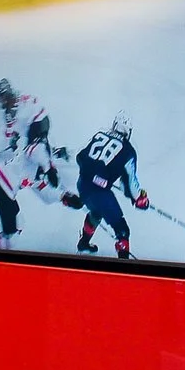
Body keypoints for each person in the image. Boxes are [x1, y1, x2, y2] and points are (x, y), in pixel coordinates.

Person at [65, 111, 148, 260]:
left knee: (96, 213)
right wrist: (139, 199)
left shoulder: (100, 134)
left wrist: (94, 176)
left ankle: (83, 244)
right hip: (100, 193)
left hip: (82, 184)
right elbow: (130, 184)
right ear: (128, 131)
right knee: (122, 229)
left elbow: (80, 157)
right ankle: (123, 267)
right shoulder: (128, 150)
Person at [0, 141, 54, 250]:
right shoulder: (30, 159)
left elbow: (43, 191)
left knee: (19, 223)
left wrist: (64, 197)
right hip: (1, 189)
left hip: (5, 192)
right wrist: (47, 167)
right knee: (12, 233)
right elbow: (34, 149)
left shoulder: (38, 174)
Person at [0, 78, 57, 185]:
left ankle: (46, 171)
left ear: (6, 95)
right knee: (36, 146)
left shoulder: (9, 111)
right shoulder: (19, 98)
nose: (0, 100)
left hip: (36, 123)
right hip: (44, 119)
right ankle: (54, 156)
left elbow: (8, 135)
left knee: (31, 151)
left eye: (1, 97)